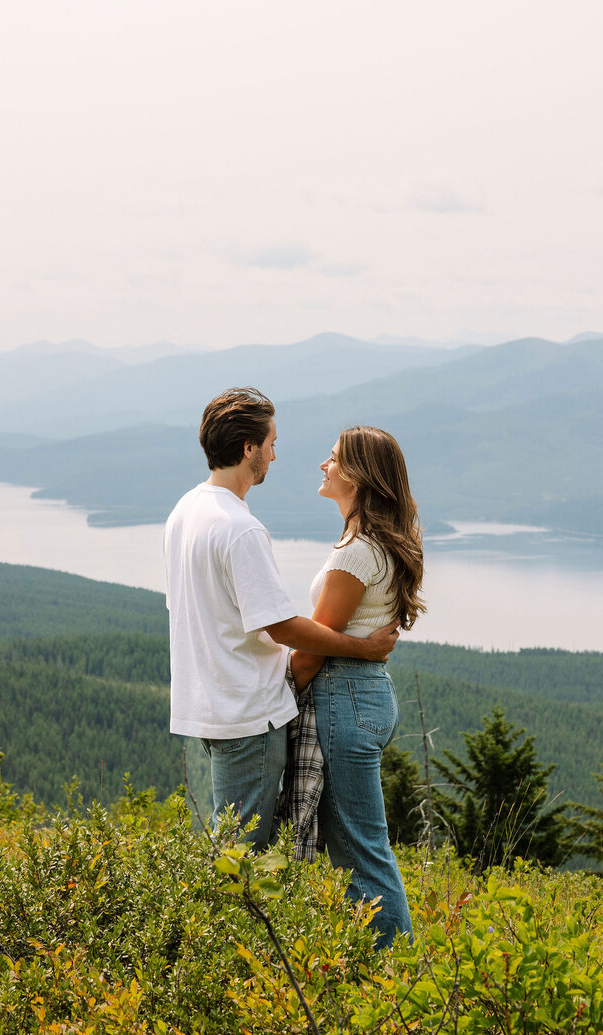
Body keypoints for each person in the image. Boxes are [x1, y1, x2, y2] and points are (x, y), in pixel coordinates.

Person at [163, 388, 400, 852]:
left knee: (230, 843)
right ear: (249, 448)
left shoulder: (185, 511)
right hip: (249, 710)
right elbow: (283, 627)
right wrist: (364, 648)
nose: (275, 453)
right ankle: (238, 926)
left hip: (210, 704)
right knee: (243, 856)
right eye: (271, 442)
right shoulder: (241, 528)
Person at [289, 426, 425, 947]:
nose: (323, 466)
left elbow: (313, 647)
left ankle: (394, 973)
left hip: (344, 698)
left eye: (332, 458)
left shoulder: (356, 552)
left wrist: (278, 700)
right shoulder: (381, 543)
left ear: (358, 475)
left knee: (362, 850)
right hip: (365, 693)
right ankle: (376, 966)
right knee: (359, 847)